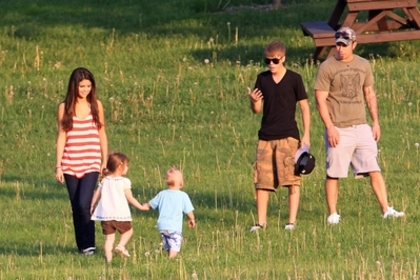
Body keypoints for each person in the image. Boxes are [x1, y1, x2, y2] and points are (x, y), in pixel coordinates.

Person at [314, 27, 404, 225]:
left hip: (361, 126)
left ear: (354, 44)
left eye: (345, 45)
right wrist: (330, 127)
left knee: (373, 168)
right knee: (334, 172)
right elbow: (320, 100)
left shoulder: (363, 65)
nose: (340, 49)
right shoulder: (327, 67)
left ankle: (386, 209)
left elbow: (369, 94)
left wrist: (376, 123)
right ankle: (333, 214)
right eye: (337, 44)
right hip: (338, 127)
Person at [247, 41, 311, 231]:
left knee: (292, 179)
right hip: (266, 136)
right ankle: (261, 223)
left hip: (289, 136)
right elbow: (257, 110)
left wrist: (306, 135)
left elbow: (305, 107)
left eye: (275, 60)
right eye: (268, 61)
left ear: (283, 58)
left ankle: (291, 222)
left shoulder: (294, 79)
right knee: (262, 181)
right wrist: (254, 102)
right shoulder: (262, 79)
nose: (271, 64)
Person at [55, 67, 108, 255]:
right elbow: (62, 136)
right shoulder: (64, 107)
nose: (85, 89)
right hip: (70, 163)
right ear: (74, 86)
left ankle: (89, 246)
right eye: (81, 86)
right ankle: (81, 246)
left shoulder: (96, 105)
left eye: (88, 86)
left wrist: (104, 161)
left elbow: (102, 133)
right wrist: (58, 166)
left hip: (91, 162)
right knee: (76, 206)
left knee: (85, 204)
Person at [90, 152, 145, 263]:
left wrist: (92, 205)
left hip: (105, 216)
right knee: (128, 231)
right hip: (120, 215)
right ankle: (120, 246)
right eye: (126, 165)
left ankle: (109, 260)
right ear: (120, 167)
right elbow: (130, 198)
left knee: (109, 239)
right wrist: (141, 206)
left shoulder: (104, 180)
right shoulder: (124, 181)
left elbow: (96, 194)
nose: (127, 168)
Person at [139, 167, 195, 258]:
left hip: (162, 226)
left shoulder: (162, 194)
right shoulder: (183, 196)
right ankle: (171, 260)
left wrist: (141, 206)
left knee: (168, 244)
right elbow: (188, 210)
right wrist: (192, 219)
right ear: (181, 183)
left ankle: (169, 256)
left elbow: (149, 205)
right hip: (174, 227)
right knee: (175, 246)